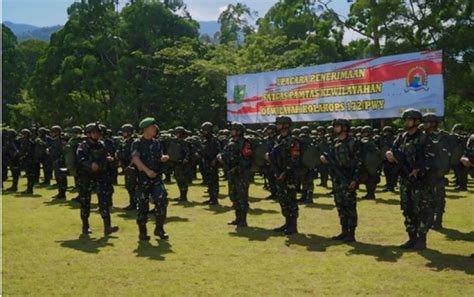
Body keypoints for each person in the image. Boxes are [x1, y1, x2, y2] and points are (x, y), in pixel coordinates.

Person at [386, 109, 434, 250]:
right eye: (405, 120)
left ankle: (421, 240)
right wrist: (389, 154)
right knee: (408, 210)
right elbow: (392, 150)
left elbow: (431, 158)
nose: (406, 122)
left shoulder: (424, 138)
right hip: (405, 179)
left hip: (420, 181)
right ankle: (411, 238)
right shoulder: (402, 137)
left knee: (421, 210)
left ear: (417, 121)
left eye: (409, 119)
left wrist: (419, 169)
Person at [321, 119, 361, 243]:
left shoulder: (353, 142)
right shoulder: (335, 142)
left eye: (337, 126)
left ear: (344, 127)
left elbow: (359, 163)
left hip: (348, 178)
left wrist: (355, 180)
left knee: (350, 206)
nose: (335, 128)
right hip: (337, 179)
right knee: (340, 206)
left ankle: (351, 233)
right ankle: (344, 231)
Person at [76, 123, 119, 236]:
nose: (97, 135)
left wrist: (109, 159)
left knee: (104, 201)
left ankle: (107, 226)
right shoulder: (83, 146)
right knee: (85, 202)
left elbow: (106, 155)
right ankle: (85, 226)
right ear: (88, 134)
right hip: (86, 177)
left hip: (101, 176)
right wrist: (90, 164)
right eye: (94, 132)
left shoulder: (102, 145)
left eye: (98, 132)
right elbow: (80, 159)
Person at [131, 117, 170, 241]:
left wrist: (163, 158)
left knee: (162, 201)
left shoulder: (156, 143)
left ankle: (159, 229)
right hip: (143, 179)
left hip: (156, 178)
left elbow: (158, 156)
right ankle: (142, 232)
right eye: (153, 127)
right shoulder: (137, 143)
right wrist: (147, 171)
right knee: (142, 205)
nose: (155, 129)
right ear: (146, 129)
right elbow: (135, 159)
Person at [269, 116, 300, 235]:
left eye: (279, 124)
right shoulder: (278, 139)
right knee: (283, 199)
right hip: (279, 173)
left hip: (290, 174)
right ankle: (287, 223)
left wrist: (285, 172)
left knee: (291, 200)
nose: (277, 126)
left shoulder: (293, 140)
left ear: (285, 125)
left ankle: (293, 225)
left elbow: (294, 159)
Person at [219, 122, 252, 228]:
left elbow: (247, 159)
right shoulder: (230, 142)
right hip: (232, 173)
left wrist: (237, 169)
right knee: (233, 195)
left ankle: (243, 220)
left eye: (233, 130)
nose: (231, 131)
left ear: (239, 131)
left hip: (241, 173)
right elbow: (224, 153)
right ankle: (237, 218)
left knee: (242, 197)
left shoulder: (245, 143)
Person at [199, 122, 221, 205]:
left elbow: (219, 152)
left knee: (213, 182)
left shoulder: (214, 140)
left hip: (212, 164)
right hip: (207, 163)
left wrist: (215, 160)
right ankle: (211, 198)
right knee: (209, 182)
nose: (203, 133)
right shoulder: (207, 140)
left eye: (204, 131)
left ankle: (214, 199)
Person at [117, 123, 137, 210]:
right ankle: (133, 203)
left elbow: (135, 155)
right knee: (129, 186)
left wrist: (130, 165)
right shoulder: (125, 142)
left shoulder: (133, 142)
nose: (123, 134)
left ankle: (134, 204)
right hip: (126, 167)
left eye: (124, 132)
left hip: (132, 167)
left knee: (132, 186)